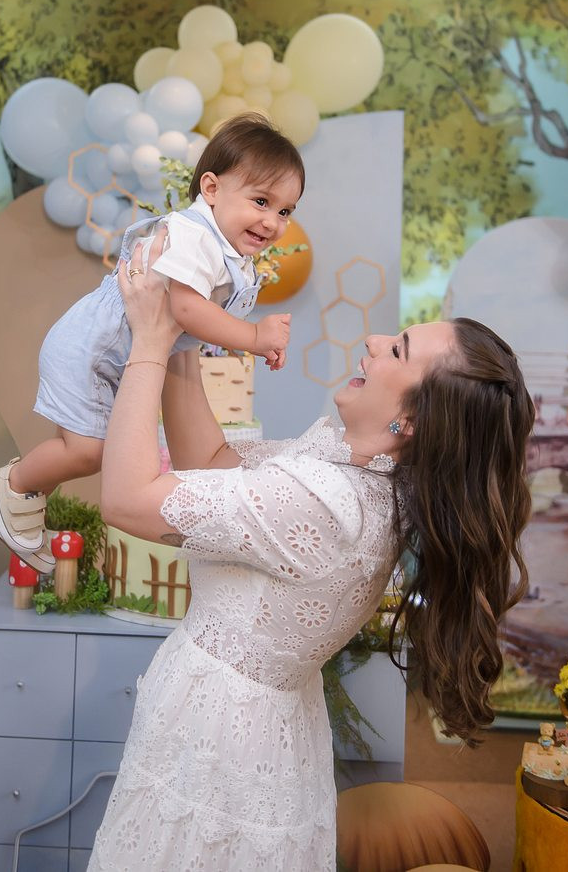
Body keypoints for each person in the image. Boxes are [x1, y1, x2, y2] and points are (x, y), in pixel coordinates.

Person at [86, 233, 534, 870]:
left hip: (223, 743)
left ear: (413, 421)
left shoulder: (328, 503)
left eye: (398, 349)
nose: (375, 341)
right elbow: (212, 461)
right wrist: (183, 330)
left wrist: (150, 344)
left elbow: (126, 499)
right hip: (242, 726)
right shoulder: (360, 475)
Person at [0, 113, 304, 574]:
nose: (272, 221)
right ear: (211, 189)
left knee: (90, 447)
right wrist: (255, 336)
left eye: (285, 211)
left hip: (110, 355)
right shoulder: (194, 236)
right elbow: (187, 309)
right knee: (89, 451)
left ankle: (25, 499)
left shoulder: (224, 247)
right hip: (89, 350)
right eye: (261, 201)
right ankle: (16, 485)